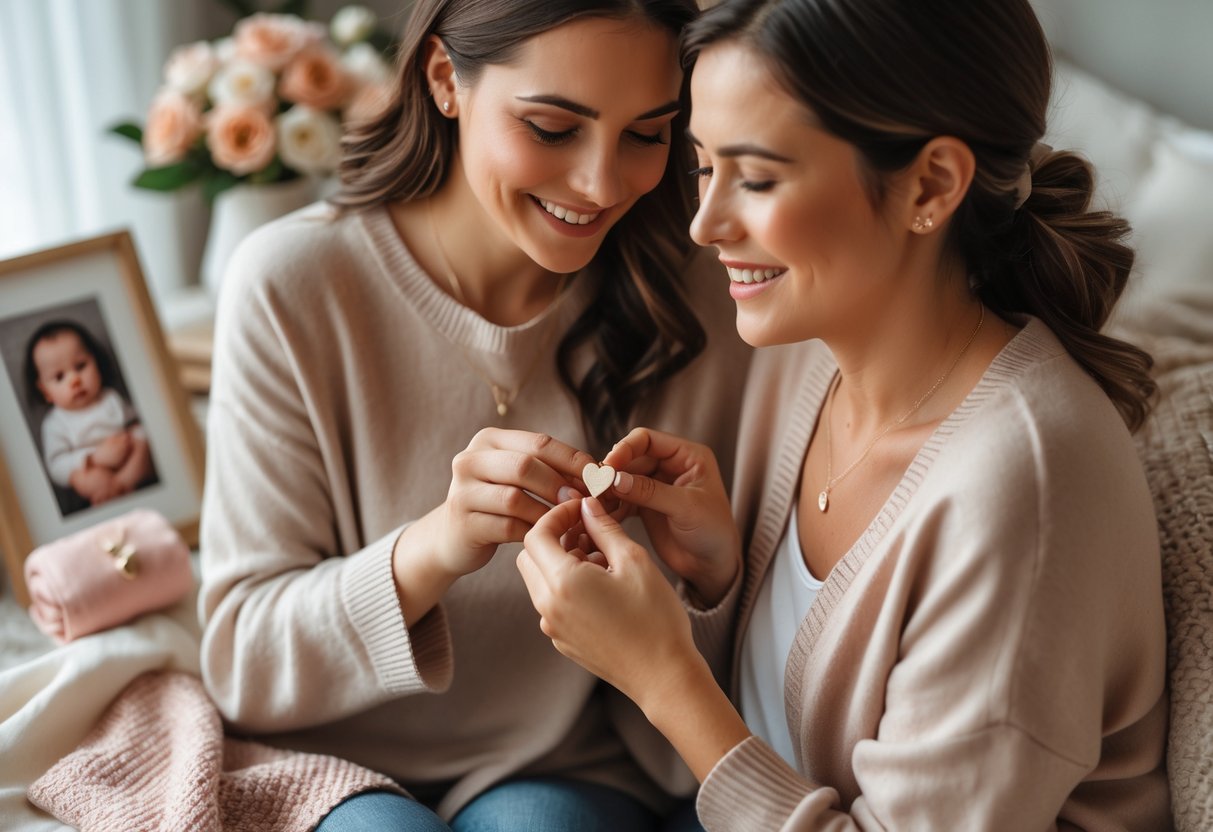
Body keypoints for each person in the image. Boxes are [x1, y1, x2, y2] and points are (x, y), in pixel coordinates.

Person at [516, 0, 1171, 828]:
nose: (705, 222)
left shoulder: (1024, 485)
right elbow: (775, 737)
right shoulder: (804, 356)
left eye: (754, 178)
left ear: (929, 185)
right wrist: (720, 579)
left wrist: (661, 676)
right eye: (702, 166)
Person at [197, 0, 752, 830]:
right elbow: (240, 653)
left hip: (563, 766)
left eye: (647, 133)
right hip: (326, 763)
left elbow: (697, 709)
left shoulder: (696, 297)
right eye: (553, 127)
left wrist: (709, 582)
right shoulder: (293, 284)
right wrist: (434, 547)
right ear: (444, 80)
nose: (602, 184)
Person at [24, 320, 153, 508]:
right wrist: (94, 458)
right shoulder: (55, 423)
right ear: (45, 391)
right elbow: (56, 466)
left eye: (81, 366)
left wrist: (131, 438)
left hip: (127, 460)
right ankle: (109, 492)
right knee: (80, 477)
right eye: (59, 377)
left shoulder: (111, 399)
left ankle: (123, 484)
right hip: (92, 469)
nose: (75, 380)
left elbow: (137, 421)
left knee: (143, 441)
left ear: (97, 364)